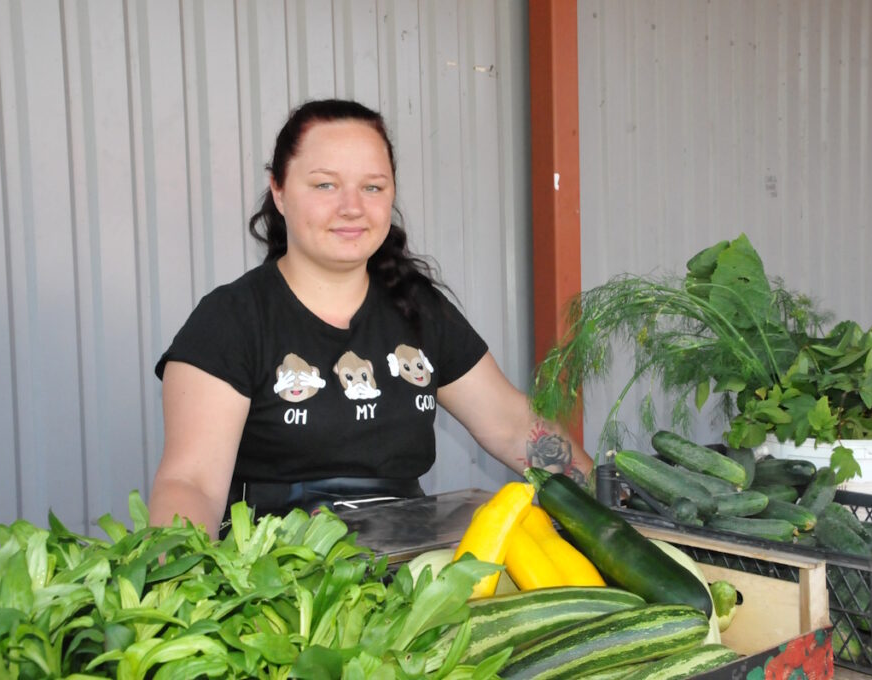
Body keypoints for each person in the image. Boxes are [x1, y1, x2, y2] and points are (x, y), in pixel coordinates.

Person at [148, 98, 592, 538]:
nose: (352, 207)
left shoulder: (418, 309)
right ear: (278, 191)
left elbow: (514, 427)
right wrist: (185, 571)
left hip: (410, 568)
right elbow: (191, 484)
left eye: (373, 187)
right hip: (275, 569)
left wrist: (609, 507)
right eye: (325, 185)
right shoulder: (231, 320)